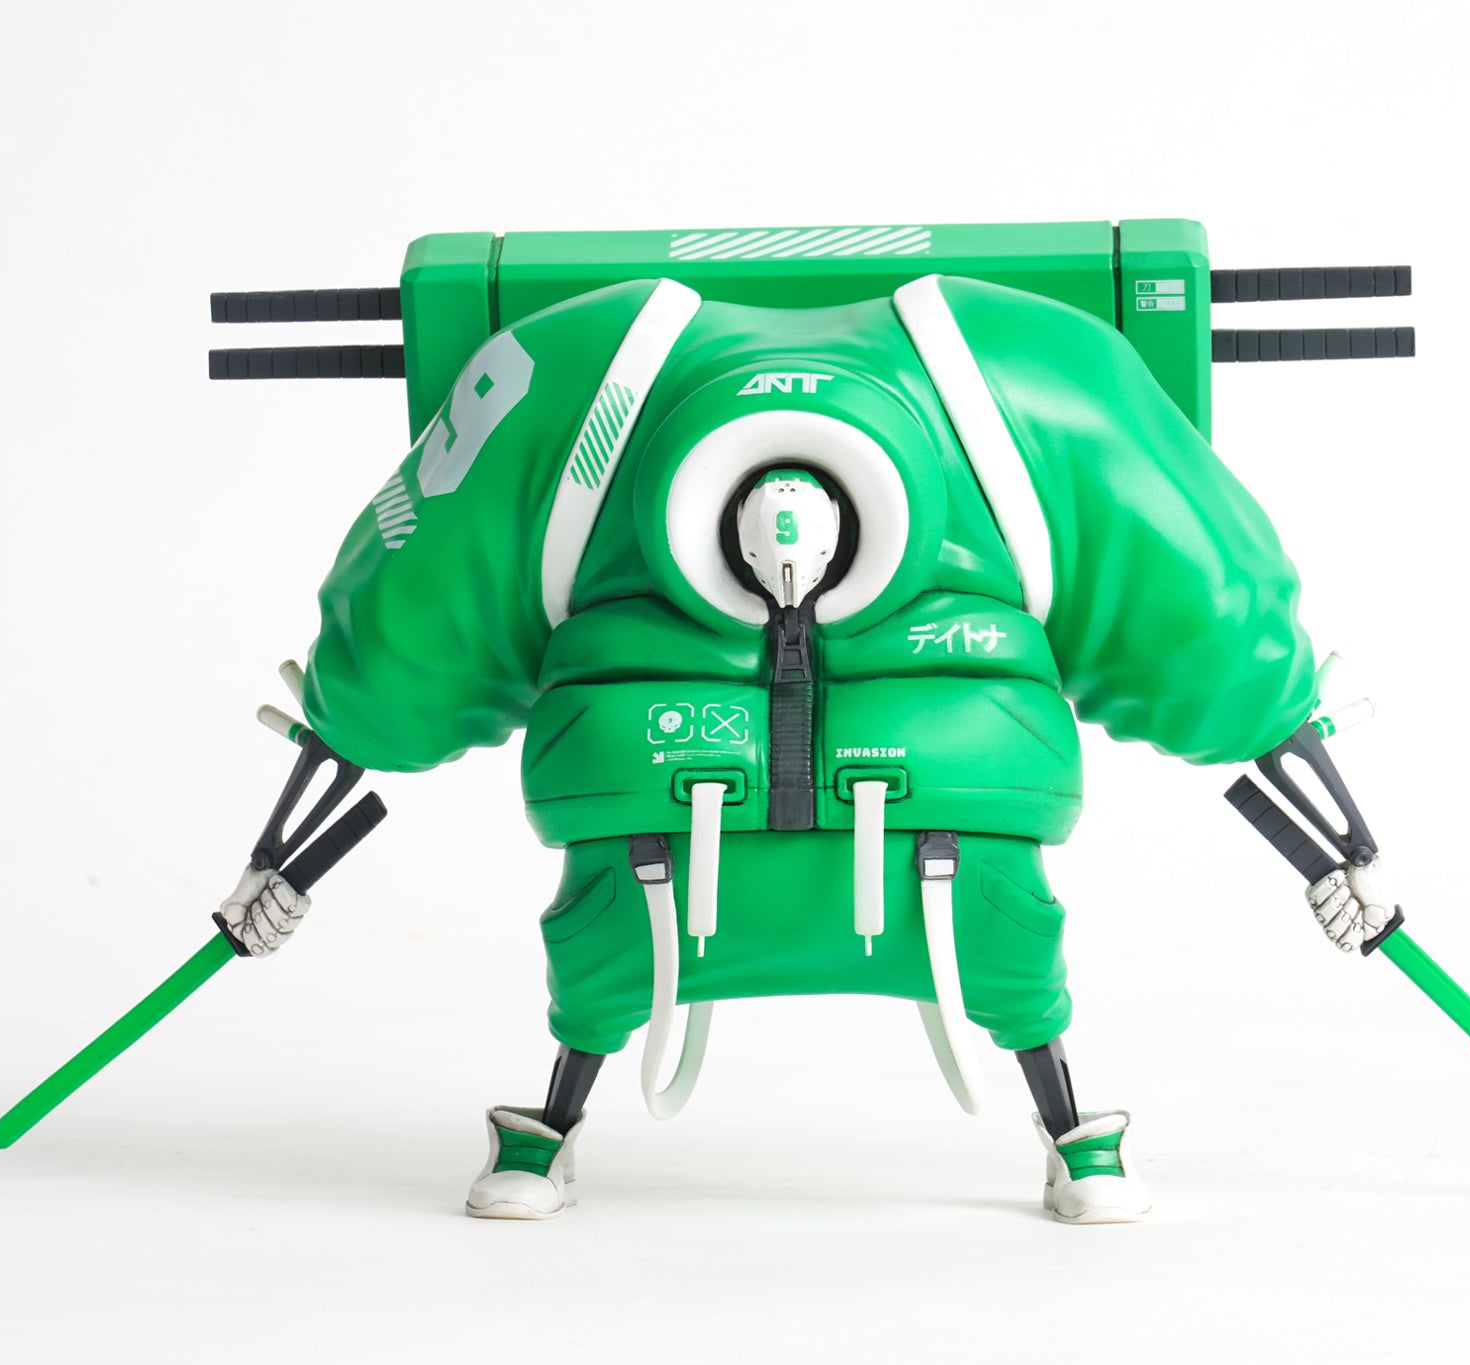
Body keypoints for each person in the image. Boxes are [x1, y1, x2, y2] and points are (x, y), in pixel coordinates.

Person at [217, 274, 1396, 1223]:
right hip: (655, 844)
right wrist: (284, 854)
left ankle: (1067, 1125)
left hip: (943, 839)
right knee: (598, 967)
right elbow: (409, 620)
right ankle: (553, 1121)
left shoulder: (1020, 394)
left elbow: (1206, 615)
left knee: (1014, 964)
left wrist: (1342, 846)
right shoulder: (574, 390)